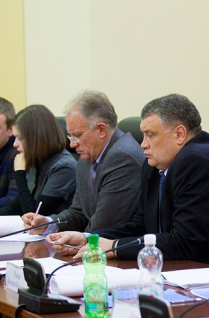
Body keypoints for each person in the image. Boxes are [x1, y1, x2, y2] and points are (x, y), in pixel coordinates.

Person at [48, 93, 209, 267]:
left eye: (150, 135)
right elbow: (140, 225)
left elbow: (184, 242)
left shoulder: (197, 161)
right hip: (175, 267)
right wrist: (90, 239)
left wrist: (114, 247)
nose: (143, 144)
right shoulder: (156, 165)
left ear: (179, 134)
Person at [22, 90, 144, 233]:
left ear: (101, 130)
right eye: (70, 136)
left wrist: (76, 239)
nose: (72, 144)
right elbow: (79, 212)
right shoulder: (87, 157)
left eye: (77, 135)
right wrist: (49, 223)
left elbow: (104, 225)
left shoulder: (123, 158)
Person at [0, 105, 77, 218]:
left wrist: (19, 173)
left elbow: (34, 215)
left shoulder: (63, 167)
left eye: (20, 138)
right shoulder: (38, 160)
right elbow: (17, 206)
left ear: (36, 138)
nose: (15, 144)